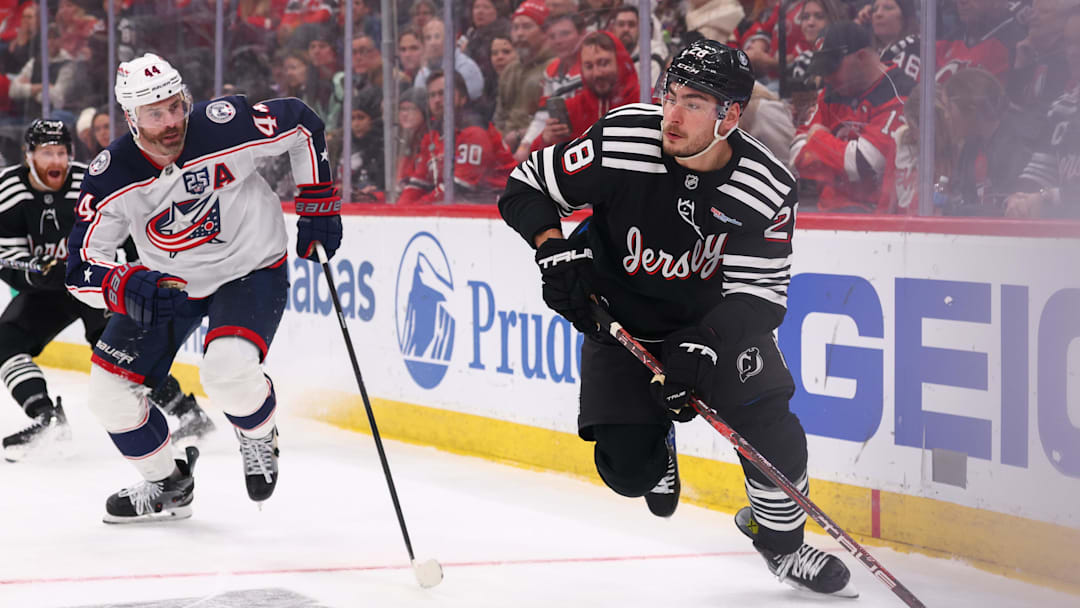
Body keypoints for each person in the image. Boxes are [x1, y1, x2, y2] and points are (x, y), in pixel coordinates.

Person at [498, 39, 856, 598]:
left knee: (770, 427)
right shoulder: (620, 139)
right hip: (622, 320)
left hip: (714, 325)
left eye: (694, 101)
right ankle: (657, 442)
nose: (672, 113)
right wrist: (554, 249)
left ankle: (782, 546)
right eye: (670, 95)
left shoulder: (765, 187)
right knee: (628, 474)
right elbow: (525, 186)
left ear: (730, 115)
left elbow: (760, 296)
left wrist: (703, 343)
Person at [64, 53, 342, 522]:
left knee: (228, 374)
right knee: (107, 395)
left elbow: (300, 124)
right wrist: (122, 283)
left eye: (176, 106)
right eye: (156, 113)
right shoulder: (110, 175)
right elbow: (79, 267)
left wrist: (318, 203)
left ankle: (257, 436)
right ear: (131, 118)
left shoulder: (223, 125)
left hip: (250, 268)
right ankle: (168, 484)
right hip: (171, 285)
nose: (172, 121)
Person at [0, 119, 214, 462]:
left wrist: (130, 274)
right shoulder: (9, 190)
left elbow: (128, 232)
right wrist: (34, 277)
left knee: (119, 354)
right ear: (28, 157)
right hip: (47, 290)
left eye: (61, 153)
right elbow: (8, 259)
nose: (56, 162)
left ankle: (188, 413)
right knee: (5, 341)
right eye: (46, 153)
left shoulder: (91, 181)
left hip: (95, 282)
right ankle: (46, 418)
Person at [790, 21, 914, 212]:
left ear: (862, 57)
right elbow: (797, 154)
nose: (826, 78)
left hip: (875, 215)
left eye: (831, 69)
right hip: (827, 208)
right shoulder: (831, 92)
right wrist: (842, 159)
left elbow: (864, 164)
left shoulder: (899, 93)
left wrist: (816, 138)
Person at [398, 69, 516, 204]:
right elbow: (418, 182)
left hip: (502, 204)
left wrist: (416, 210)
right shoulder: (432, 136)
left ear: (462, 98)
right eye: (432, 95)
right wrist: (401, 209)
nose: (437, 100)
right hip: (471, 204)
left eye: (443, 93)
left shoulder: (475, 132)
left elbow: (459, 188)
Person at [529, 31, 640, 150]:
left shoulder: (646, 100)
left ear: (620, 62)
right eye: (589, 66)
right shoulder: (571, 110)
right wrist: (546, 140)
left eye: (604, 63)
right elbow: (535, 158)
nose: (597, 73)